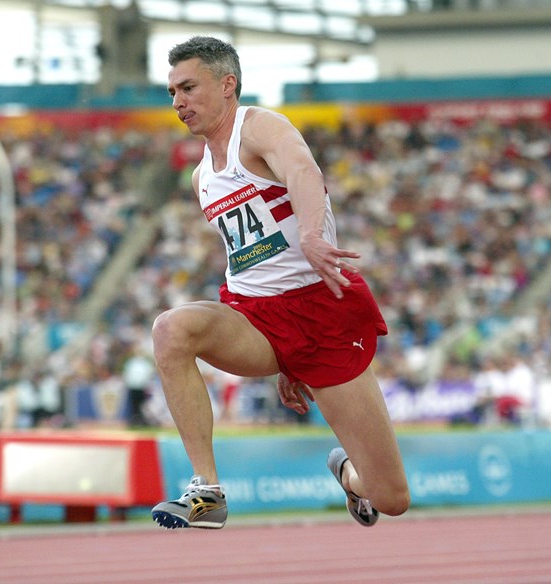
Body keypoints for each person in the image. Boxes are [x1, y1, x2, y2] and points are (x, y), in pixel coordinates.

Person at [149, 36, 409, 529]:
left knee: (392, 497)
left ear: (227, 85)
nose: (179, 102)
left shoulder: (261, 126)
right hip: (258, 316)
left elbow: (303, 171)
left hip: (322, 313)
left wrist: (311, 234)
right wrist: (280, 357)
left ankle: (351, 474)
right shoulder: (201, 176)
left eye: (188, 87)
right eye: (171, 93)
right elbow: (245, 255)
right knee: (171, 329)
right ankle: (207, 490)